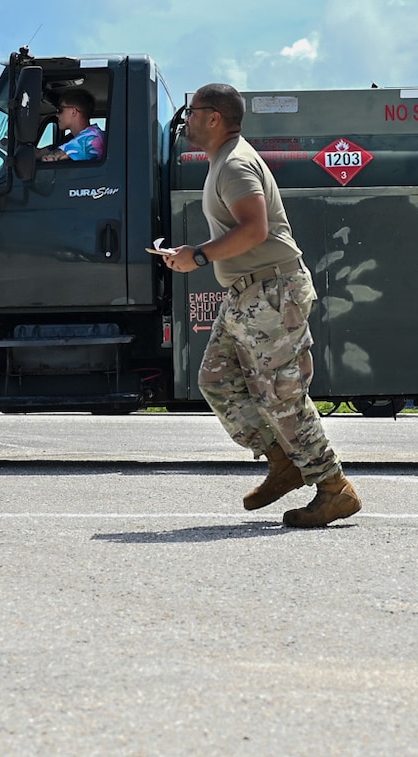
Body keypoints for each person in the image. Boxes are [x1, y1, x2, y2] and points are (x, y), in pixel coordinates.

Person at [154, 83, 361, 528]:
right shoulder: (221, 163)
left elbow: (255, 230)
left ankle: (333, 487)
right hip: (245, 294)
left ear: (213, 117)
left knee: (281, 395)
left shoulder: (235, 165)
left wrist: (200, 255)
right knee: (216, 380)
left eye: (191, 112)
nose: (184, 120)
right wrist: (194, 253)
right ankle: (282, 462)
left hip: (272, 290)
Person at [38, 88, 105, 163]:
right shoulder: (74, 137)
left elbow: (48, 159)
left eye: (60, 110)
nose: (57, 115)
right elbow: (40, 153)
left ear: (73, 112)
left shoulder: (90, 139)